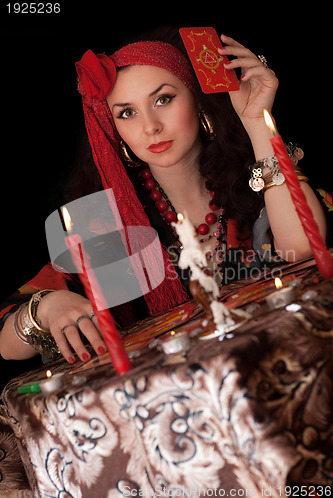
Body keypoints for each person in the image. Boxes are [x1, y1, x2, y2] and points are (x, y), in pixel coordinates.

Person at [0, 27, 327, 368]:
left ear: (197, 100)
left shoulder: (258, 182)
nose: (150, 126)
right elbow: (6, 345)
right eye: (127, 112)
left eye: (163, 99)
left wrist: (257, 122)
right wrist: (44, 310)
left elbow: (305, 248)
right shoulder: (103, 225)